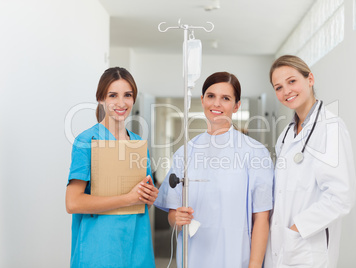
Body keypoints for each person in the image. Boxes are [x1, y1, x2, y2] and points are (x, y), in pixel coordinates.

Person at [154, 72, 274, 268]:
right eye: (211, 96)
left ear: (236, 106)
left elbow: (261, 217)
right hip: (194, 256)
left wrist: (254, 265)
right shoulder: (186, 152)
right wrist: (177, 218)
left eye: (225, 98)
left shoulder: (255, 152)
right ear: (202, 100)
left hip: (237, 257)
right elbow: (173, 214)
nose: (216, 104)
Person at [264, 55, 356, 268]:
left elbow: (341, 197)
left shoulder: (331, 127)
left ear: (310, 79)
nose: (286, 91)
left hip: (307, 248)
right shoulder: (286, 135)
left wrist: (297, 229)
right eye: (278, 87)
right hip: (281, 246)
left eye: (292, 81)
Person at [65, 67, 159, 268]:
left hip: (136, 245)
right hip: (99, 248)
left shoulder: (138, 144)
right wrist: (129, 198)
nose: (121, 103)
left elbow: (143, 199)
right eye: (113, 95)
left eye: (128, 95)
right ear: (101, 98)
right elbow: (73, 203)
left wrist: (149, 197)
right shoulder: (87, 141)